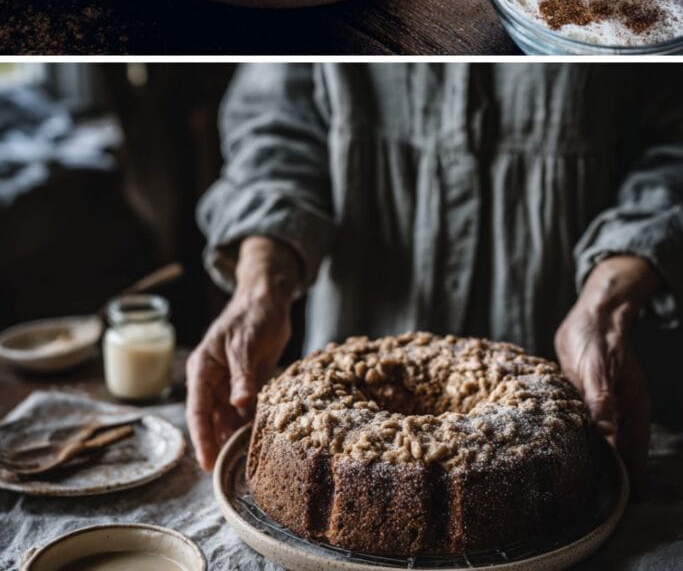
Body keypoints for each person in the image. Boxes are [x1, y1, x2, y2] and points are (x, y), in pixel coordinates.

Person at [186, 63, 683, 488]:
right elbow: (275, 133)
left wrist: (607, 303)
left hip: (575, 380)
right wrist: (259, 289)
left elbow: (672, 146)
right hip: (343, 379)